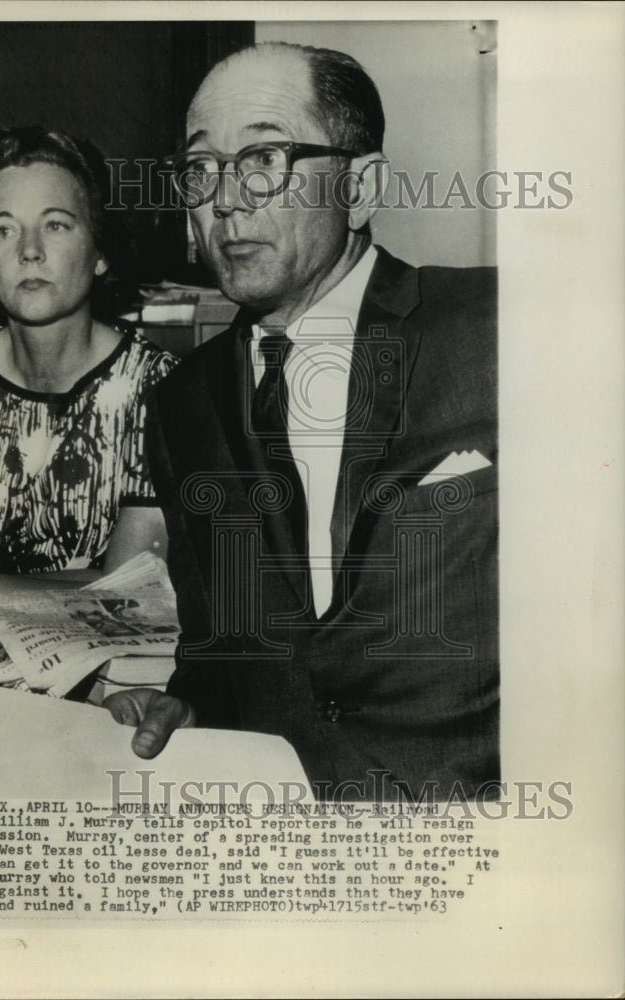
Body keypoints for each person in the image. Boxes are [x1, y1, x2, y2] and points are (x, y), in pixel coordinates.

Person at [104, 42, 498, 803]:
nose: (224, 200)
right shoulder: (181, 405)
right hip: (285, 852)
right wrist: (190, 705)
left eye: (264, 157)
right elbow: (220, 650)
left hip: (482, 846)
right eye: (201, 169)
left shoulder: (493, 331)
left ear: (360, 186)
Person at [0, 126, 177, 795]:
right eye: (3, 230)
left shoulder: (159, 389)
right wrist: (89, 588)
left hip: (101, 720)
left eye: (56, 224)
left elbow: (137, 609)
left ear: (100, 250)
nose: (29, 250)